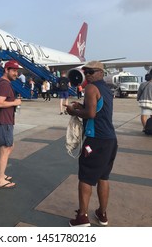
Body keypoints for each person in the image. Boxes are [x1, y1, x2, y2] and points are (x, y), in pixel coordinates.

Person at [65, 61, 117, 227]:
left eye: (90, 72)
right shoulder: (107, 90)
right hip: (110, 140)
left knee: (86, 178)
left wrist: (73, 111)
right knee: (103, 177)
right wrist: (82, 106)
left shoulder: (90, 88)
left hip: (95, 140)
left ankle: (82, 217)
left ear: (100, 73)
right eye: (85, 72)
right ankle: (102, 213)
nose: (86, 75)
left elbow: (91, 113)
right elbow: (98, 109)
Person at [0, 60, 22, 189]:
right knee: (5, 149)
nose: (16, 73)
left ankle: (2, 174)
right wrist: (15, 103)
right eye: (13, 70)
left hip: (4, 121)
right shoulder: (4, 84)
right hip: (3, 122)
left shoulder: (5, 83)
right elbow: (0, 103)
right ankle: (0, 180)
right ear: (6, 70)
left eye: (17, 71)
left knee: (9, 146)